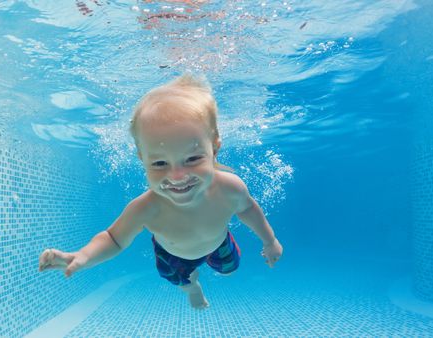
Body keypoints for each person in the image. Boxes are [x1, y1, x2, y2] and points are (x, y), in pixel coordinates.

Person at [38, 74, 283, 309]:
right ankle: (192, 287)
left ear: (215, 146)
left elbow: (248, 209)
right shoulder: (146, 208)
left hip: (217, 244)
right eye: (159, 164)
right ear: (142, 158)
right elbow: (113, 238)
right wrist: (84, 256)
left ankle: (198, 276)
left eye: (192, 158)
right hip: (171, 254)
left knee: (230, 269)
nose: (177, 177)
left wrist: (270, 241)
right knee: (178, 280)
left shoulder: (230, 187)